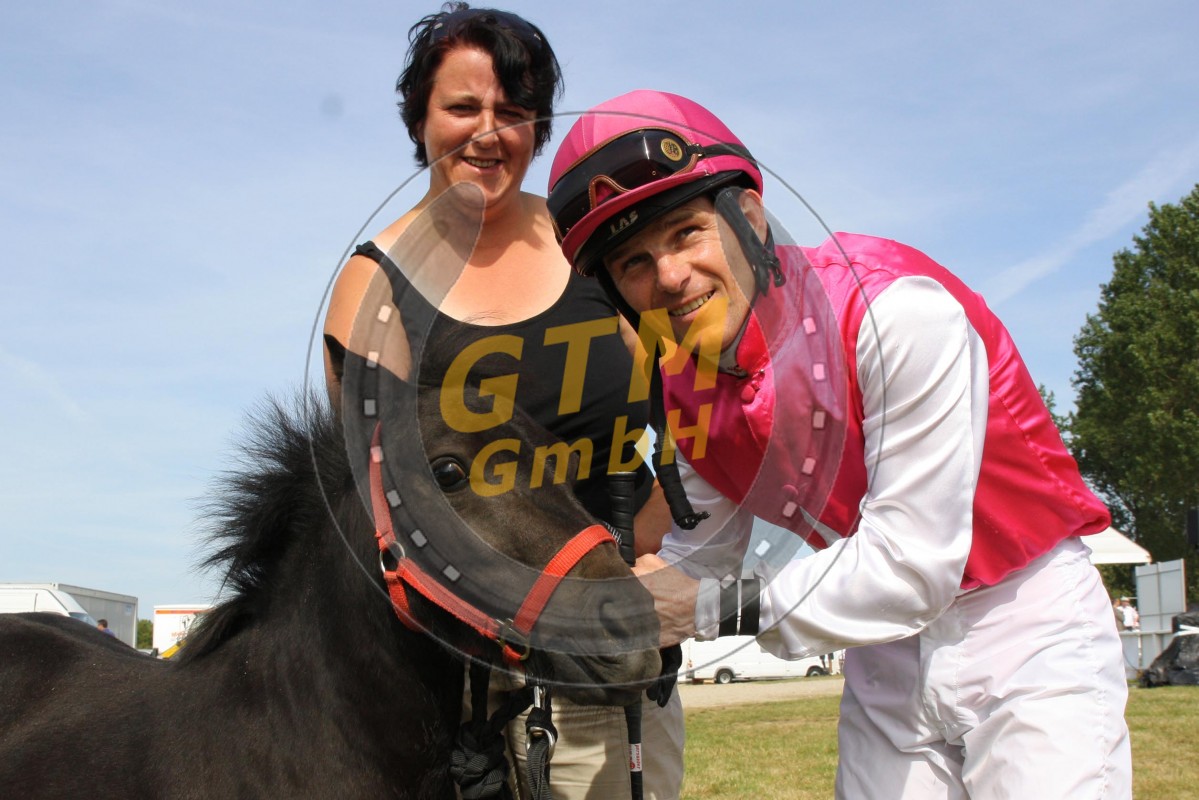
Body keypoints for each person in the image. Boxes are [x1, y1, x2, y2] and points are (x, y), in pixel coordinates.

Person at [547, 89, 1133, 798]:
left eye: (686, 232)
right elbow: (698, 560)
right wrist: (607, 602)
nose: (669, 276)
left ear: (750, 219)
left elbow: (909, 566)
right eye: (633, 263)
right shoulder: (684, 389)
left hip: (1025, 619)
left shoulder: (893, 309)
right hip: (883, 647)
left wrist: (696, 608)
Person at [322, 8, 681, 799]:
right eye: (462, 107)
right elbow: (382, 503)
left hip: (608, 675)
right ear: (419, 120)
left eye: (514, 112)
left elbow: (686, 428)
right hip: (461, 697)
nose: (488, 133)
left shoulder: (595, 249)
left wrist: (647, 560)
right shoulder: (375, 285)